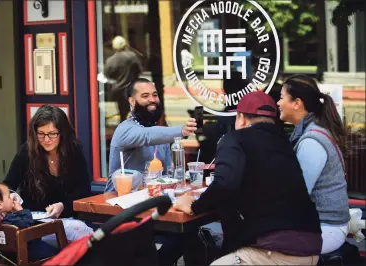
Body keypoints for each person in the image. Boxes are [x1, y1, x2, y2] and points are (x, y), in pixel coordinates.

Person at [174, 91, 323, 265]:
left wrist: (193, 207)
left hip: (274, 250)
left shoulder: (234, 139)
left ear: (241, 118)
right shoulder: (285, 143)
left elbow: (224, 185)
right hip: (312, 248)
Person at [277, 74, 350, 254]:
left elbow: (298, 194)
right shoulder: (309, 133)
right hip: (319, 224)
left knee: (257, 246)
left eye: (281, 97)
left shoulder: (311, 141)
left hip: (326, 228)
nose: (278, 103)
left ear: (297, 103)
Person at [4, 105, 93, 247]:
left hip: (67, 219)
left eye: (52, 134)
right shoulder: (26, 152)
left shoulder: (73, 151)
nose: (46, 139)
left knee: (85, 238)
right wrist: (12, 195)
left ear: (62, 133)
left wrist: (63, 205)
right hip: (33, 224)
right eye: (41, 133)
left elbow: (84, 190)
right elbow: (8, 185)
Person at [105, 77, 197, 193]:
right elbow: (147, 136)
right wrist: (182, 130)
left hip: (151, 200)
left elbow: (167, 176)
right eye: (145, 96)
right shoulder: (124, 130)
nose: (152, 99)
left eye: (155, 95)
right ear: (132, 101)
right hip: (119, 203)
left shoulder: (161, 135)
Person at [0, 181, 59, 260]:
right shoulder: (10, 219)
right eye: (8, 197)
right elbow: (29, 229)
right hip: (26, 253)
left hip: (1, 256)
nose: (12, 198)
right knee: (57, 253)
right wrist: (21, 211)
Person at [104, 36, 144, 122]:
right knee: (133, 112)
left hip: (118, 90)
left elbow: (107, 75)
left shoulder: (111, 60)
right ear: (125, 45)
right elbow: (139, 70)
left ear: (114, 46)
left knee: (122, 113)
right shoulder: (132, 56)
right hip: (131, 89)